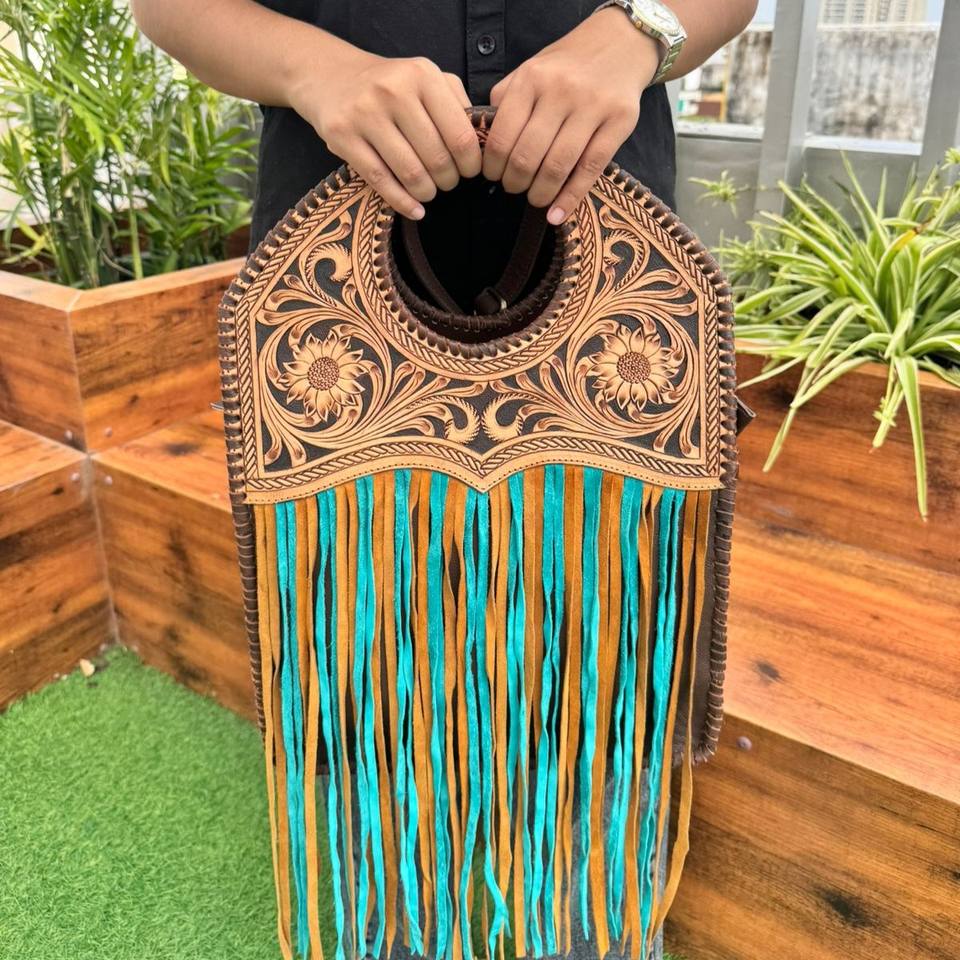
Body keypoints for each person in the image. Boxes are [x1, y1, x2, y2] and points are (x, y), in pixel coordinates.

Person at [131, 3, 757, 958]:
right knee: (370, 702)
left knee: (598, 686)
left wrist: (640, 33)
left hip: (613, 284)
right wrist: (313, 68)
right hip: (334, 297)